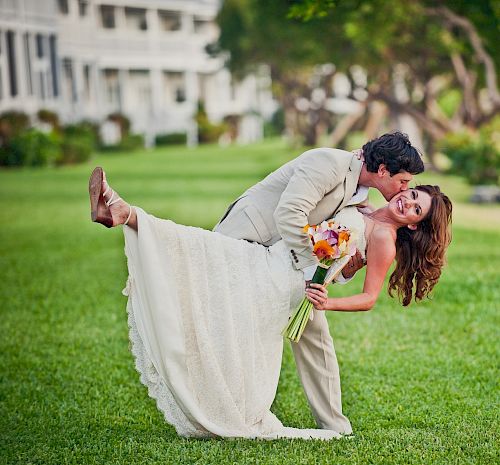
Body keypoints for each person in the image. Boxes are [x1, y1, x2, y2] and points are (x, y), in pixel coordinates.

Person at [89, 166, 452, 440]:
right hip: (273, 257)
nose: (406, 199)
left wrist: (326, 303)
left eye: (415, 208)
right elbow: (339, 260)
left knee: (206, 255)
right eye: (411, 193)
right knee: (206, 250)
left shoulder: (385, 239)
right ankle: (124, 213)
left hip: (287, 282)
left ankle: (128, 214)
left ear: (416, 226)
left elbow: (369, 298)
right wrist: (340, 271)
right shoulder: (362, 203)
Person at [213, 132, 424, 434]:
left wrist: (342, 269)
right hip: (246, 238)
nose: (405, 189)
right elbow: (288, 214)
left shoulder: (362, 194)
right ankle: (230, 407)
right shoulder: (328, 162)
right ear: (382, 171)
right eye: (403, 182)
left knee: (317, 337)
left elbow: (335, 240)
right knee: (238, 327)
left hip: (290, 262)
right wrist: (314, 269)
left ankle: (335, 425)